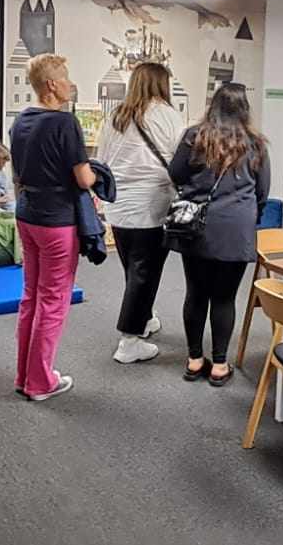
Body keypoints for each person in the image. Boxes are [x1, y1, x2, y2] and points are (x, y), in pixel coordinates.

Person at [167, 83, 269, 386]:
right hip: (236, 229)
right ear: (244, 108)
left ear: (213, 105)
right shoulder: (255, 143)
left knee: (196, 293)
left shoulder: (194, 136)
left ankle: (194, 360)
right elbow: (262, 192)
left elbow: (175, 173)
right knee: (225, 297)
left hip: (197, 226)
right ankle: (220, 365)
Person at [10, 53, 95, 401]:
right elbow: (84, 178)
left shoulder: (20, 121)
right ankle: (41, 382)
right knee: (53, 300)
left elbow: (18, 173)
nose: (70, 84)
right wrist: (97, 174)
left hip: (27, 214)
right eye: (65, 78)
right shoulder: (65, 123)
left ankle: (24, 376)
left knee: (31, 296)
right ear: (51, 85)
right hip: (57, 220)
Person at [95, 62, 184, 364]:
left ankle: (143, 317)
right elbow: (181, 161)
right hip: (152, 205)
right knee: (145, 272)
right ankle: (129, 341)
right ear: (162, 84)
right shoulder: (169, 115)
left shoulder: (115, 116)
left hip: (119, 206)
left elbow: (102, 161)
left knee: (133, 268)